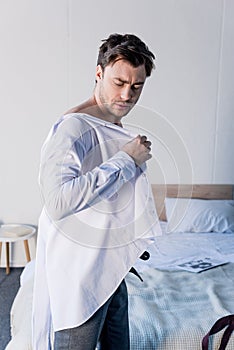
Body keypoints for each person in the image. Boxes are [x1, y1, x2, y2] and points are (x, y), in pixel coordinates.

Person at [32, 33, 161, 350]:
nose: (127, 94)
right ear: (99, 73)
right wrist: (128, 160)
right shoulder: (73, 127)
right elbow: (59, 201)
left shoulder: (111, 125)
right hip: (80, 276)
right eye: (119, 82)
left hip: (109, 269)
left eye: (136, 86)